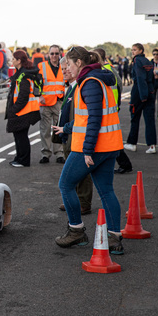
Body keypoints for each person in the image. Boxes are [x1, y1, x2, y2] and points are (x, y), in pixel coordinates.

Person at [53, 46, 124, 255]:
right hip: (109, 144)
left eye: (68, 64)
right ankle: (114, 238)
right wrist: (67, 128)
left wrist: (87, 150)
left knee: (65, 184)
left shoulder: (89, 83)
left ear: (79, 63)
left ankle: (76, 231)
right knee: (106, 191)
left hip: (94, 146)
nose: (67, 68)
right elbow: (86, 118)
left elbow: (94, 118)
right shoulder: (98, 79)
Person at [53, 56, 93, 214]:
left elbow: (80, 116)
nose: (64, 71)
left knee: (81, 171)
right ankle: (76, 199)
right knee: (72, 171)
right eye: (62, 69)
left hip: (75, 134)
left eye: (67, 67)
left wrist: (67, 128)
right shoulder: (70, 87)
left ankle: (83, 202)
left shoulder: (78, 87)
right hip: (69, 134)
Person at [5, 50, 43, 167]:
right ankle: (19, 158)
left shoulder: (24, 76)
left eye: (13, 59)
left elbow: (23, 96)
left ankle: (24, 160)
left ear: (19, 61)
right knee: (18, 136)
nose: (12, 61)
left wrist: (14, 109)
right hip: (23, 110)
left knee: (21, 137)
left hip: (23, 111)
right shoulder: (22, 73)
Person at [124, 43, 157, 154]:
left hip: (139, 93)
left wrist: (143, 96)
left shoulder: (137, 61)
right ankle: (152, 146)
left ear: (141, 51)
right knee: (150, 120)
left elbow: (140, 78)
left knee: (135, 118)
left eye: (135, 50)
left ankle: (132, 143)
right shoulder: (148, 61)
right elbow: (151, 79)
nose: (133, 52)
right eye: (132, 50)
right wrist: (150, 93)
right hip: (150, 91)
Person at [38, 45, 66, 164]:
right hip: (45, 102)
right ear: (48, 55)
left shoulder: (64, 66)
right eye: (52, 54)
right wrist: (39, 95)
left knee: (58, 128)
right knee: (45, 129)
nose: (54, 56)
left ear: (60, 54)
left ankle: (59, 154)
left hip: (59, 101)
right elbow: (36, 83)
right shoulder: (42, 66)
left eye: (56, 53)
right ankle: (46, 153)